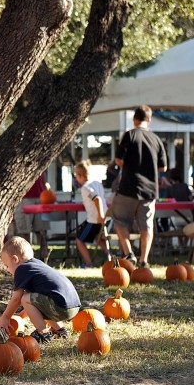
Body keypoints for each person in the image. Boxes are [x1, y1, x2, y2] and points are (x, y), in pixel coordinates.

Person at [112, 105, 167, 268]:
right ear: (149, 120)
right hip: (150, 190)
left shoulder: (129, 135)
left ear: (134, 119)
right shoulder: (156, 139)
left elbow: (118, 160)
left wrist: (129, 167)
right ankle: (144, 260)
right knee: (146, 225)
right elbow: (163, 167)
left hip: (129, 187)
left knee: (120, 220)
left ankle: (129, 254)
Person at [0, 237, 81, 343]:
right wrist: (22, 315)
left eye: (7, 266)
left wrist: (5, 317)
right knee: (38, 299)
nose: (7, 269)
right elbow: (37, 302)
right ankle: (60, 330)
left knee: (24, 298)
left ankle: (43, 333)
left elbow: (17, 299)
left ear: (15, 259)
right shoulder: (36, 265)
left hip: (60, 306)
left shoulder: (21, 269)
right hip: (72, 306)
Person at [74, 160, 109, 268]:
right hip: (104, 217)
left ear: (80, 175)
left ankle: (88, 263)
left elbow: (96, 199)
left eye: (76, 175)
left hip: (95, 219)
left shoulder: (85, 187)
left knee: (79, 240)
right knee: (98, 237)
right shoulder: (97, 183)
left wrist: (100, 215)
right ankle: (110, 257)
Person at [11, 174, 50, 260]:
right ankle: (27, 257)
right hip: (23, 196)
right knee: (25, 230)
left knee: (41, 229)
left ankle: (43, 255)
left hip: (40, 195)